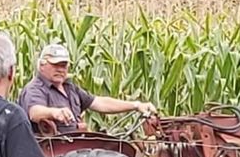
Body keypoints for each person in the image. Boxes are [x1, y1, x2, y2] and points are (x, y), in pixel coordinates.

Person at [18, 41, 157, 135]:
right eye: (56, 65)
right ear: (42, 65)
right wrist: (55, 113)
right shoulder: (35, 89)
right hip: (54, 153)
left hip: (77, 148)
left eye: (64, 65)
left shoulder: (70, 88)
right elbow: (35, 112)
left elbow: (100, 103)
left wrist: (136, 105)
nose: (60, 69)